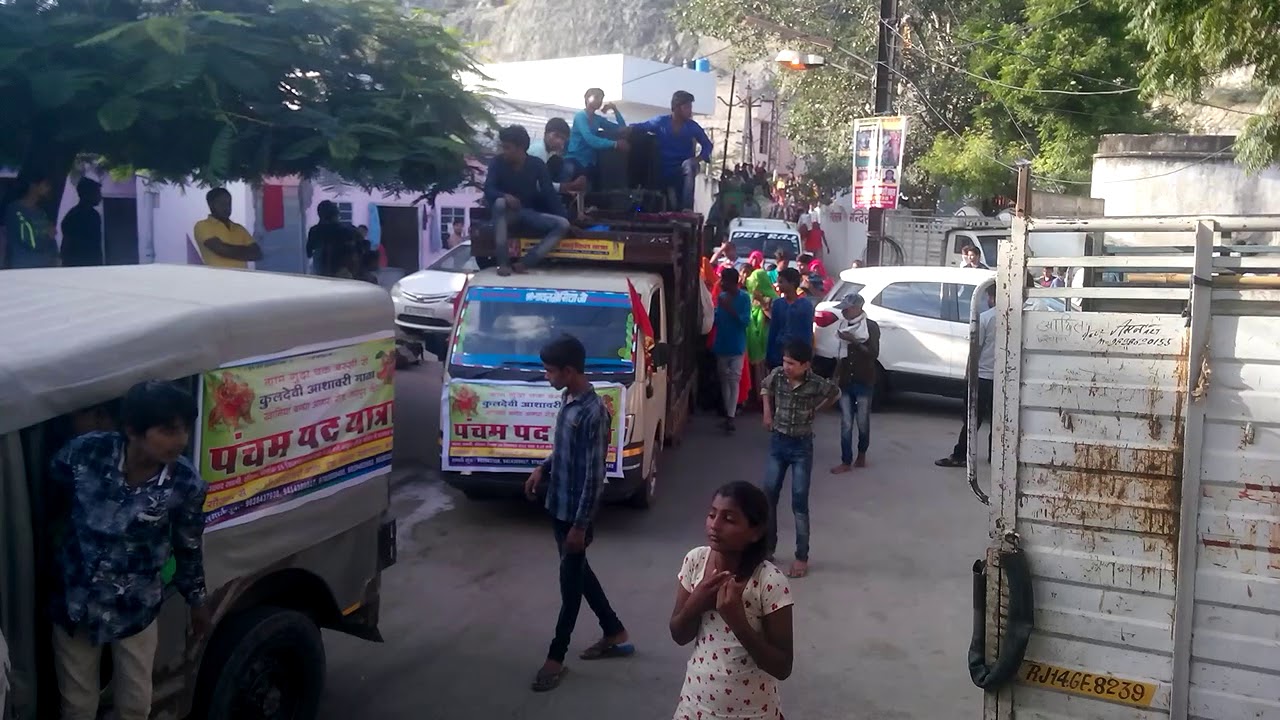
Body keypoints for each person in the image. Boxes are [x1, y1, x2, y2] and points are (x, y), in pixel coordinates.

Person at [48, 381, 211, 720]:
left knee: (135, 705)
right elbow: (54, 491)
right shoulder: (85, 453)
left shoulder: (186, 484)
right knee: (77, 706)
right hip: (77, 602)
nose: (180, 440)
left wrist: (197, 601)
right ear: (132, 430)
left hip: (135, 607)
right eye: (167, 430)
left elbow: (188, 545)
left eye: (184, 429)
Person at [524, 336, 631, 692]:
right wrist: (543, 468)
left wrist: (581, 526)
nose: (546, 376)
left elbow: (594, 474)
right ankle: (614, 631)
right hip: (557, 505)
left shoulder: (593, 412)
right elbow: (566, 453)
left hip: (575, 516)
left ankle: (555, 658)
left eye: (550, 370)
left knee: (570, 588)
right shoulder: (567, 399)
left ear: (569, 371)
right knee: (580, 574)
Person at [669, 481, 794, 720]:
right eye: (711, 514)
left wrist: (738, 622)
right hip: (695, 707)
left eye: (729, 519)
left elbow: (782, 667)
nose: (714, 525)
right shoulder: (695, 561)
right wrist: (695, 604)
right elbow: (678, 634)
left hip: (753, 713)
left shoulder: (769, 581)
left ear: (755, 532)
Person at [760, 341, 840, 579]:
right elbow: (765, 387)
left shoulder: (816, 383)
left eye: (792, 364)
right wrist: (767, 412)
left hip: (801, 448)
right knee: (768, 496)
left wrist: (818, 408)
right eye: (785, 362)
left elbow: (835, 393)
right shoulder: (777, 375)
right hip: (778, 443)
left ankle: (801, 556)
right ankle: (768, 548)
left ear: (806, 366)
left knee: (799, 502)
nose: (786, 367)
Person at [484, 125, 572, 277]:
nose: (503, 152)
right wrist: (504, 196)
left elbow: (549, 193)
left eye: (507, 148)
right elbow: (488, 189)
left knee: (563, 224)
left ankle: (525, 263)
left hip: (527, 213)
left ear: (520, 148)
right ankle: (503, 263)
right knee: (499, 203)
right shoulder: (497, 163)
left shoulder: (537, 164)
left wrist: (568, 219)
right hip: (505, 216)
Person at [937, 285, 997, 467]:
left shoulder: (987, 317)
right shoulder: (1017, 317)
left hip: (983, 376)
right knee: (999, 419)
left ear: (992, 296)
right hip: (1006, 378)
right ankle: (995, 456)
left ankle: (960, 455)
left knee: (972, 418)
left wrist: (967, 375)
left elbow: (975, 349)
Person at [629, 91, 713, 211]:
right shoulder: (660, 122)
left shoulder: (692, 126)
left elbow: (707, 145)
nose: (690, 110)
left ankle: (687, 209)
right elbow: (639, 127)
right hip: (662, 169)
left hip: (682, 170)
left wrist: (697, 159)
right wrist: (625, 129)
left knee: (689, 165)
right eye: (687, 107)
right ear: (677, 108)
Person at [830, 294, 880, 473]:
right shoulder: (843, 325)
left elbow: (873, 353)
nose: (844, 311)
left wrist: (854, 342)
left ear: (859, 308)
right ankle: (846, 460)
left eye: (848, 308)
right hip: (845, 380)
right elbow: (840, 356)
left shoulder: (870, 327)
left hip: (864, 380)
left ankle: (861, 454)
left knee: (862, 421)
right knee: (846, 422)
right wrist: (834, 377)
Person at [713, 267, 752, 434]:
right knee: (724, 380)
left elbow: (744, 322)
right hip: (722, 344)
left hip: (737, 346)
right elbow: (717, 319)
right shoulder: (721, 297)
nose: (721, 283)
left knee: (734, 379)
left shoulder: (744, 298)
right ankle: (729, 413)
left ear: (732, 283)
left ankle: (731, 416)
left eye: (724, 280)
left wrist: (729, 308)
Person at [565, 88, 627, 180]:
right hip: (575, 159)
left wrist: (615, 110)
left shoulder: (598, 119)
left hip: (589, 162)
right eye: (596, 97)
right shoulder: (580, 116)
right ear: (587, 98)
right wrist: (615, 144)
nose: (599, 101)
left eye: (601, 98)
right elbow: (590, 139)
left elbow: (622, 129)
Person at [193, 188, 263, 269]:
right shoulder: (202, 225)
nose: (226, 207)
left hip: (241, 279)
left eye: (229, 203)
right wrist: (245, 251)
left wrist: (229, 249)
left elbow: (257, 254)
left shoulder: (239, 228)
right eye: (222, 203)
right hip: (216, 279)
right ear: (211, 204)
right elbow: (221, 250)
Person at [4, 170, 58, 268]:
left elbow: (52, 239)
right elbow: (30, 241)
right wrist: (48, 235)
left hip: (46, 267)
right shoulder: (16, 210)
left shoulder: (41, 212)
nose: (49, 189)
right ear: (33, 186)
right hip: (25, 268)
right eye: (46, 184)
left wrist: (55, 257)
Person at [765, 268, 815, 369]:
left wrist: (807, 356)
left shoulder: (805, 305)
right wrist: (769, 354)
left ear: (792, 283)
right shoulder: (778, 304)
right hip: (778, 354)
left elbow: (807, 332)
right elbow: (773, 330)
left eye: (781, 282)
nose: (778, 285)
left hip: (798, 355)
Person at [745, 267, 779, 407]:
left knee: (765, 373)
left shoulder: (773, 299)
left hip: (766, 342)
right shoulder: (752, 298)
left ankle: (766, 402)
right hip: (754, 342)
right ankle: (756, 399)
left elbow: (774, 318)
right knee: (756, 372)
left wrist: (763, 304)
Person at [529, 118, 588, 193]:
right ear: (545, 134)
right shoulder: (538, 150)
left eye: (563, 139)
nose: (559, 141)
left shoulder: (548, 153)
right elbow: (537, 185)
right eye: (556, 136)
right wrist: (569, 186)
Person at [305, 200, 359, 276]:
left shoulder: (314, 231)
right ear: (335, 214)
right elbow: (352, 254)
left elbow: (309, 253)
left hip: (320, 274)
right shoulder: (344, 231)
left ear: (319, 214)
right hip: (340, 273)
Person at [60, 177, 104, 267]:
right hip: (78, 265)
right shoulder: (75, 216)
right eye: (97, 192)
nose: (100, 196)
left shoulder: (92, 215)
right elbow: (67, 243)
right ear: (88, 194)